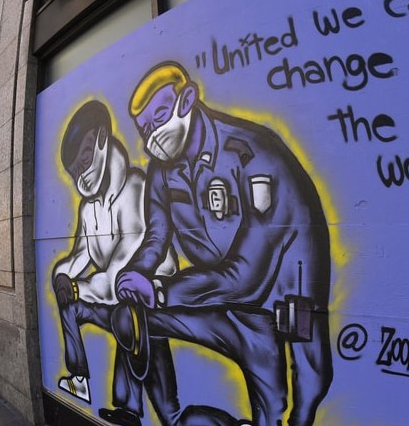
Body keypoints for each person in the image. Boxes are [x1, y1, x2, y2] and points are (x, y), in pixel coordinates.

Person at [111, 61, 333, 426]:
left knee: (296, 399)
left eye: (160, 117)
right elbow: (157, 234)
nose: (153, 135)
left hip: (276, 303)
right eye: (145, 127)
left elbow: (247, 275)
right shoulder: (162, 168)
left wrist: (163, 292)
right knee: (132, 319)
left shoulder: (254, 155)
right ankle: (173, 418)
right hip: (213, 297)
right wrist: (136, 273)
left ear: (188, 99)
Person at [52, 100, 180, 426]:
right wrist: (63, 278)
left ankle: (133, 408)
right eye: (75, 170)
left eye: (84, 159)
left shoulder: (135, 187)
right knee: (79, 306)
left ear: (102, 138)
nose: (81, 173)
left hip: (151, 297)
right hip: (118, 299)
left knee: (168, 407)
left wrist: (81, 288)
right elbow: (81, 255)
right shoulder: (88, 209)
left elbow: (124, 270)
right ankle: (82, 378)